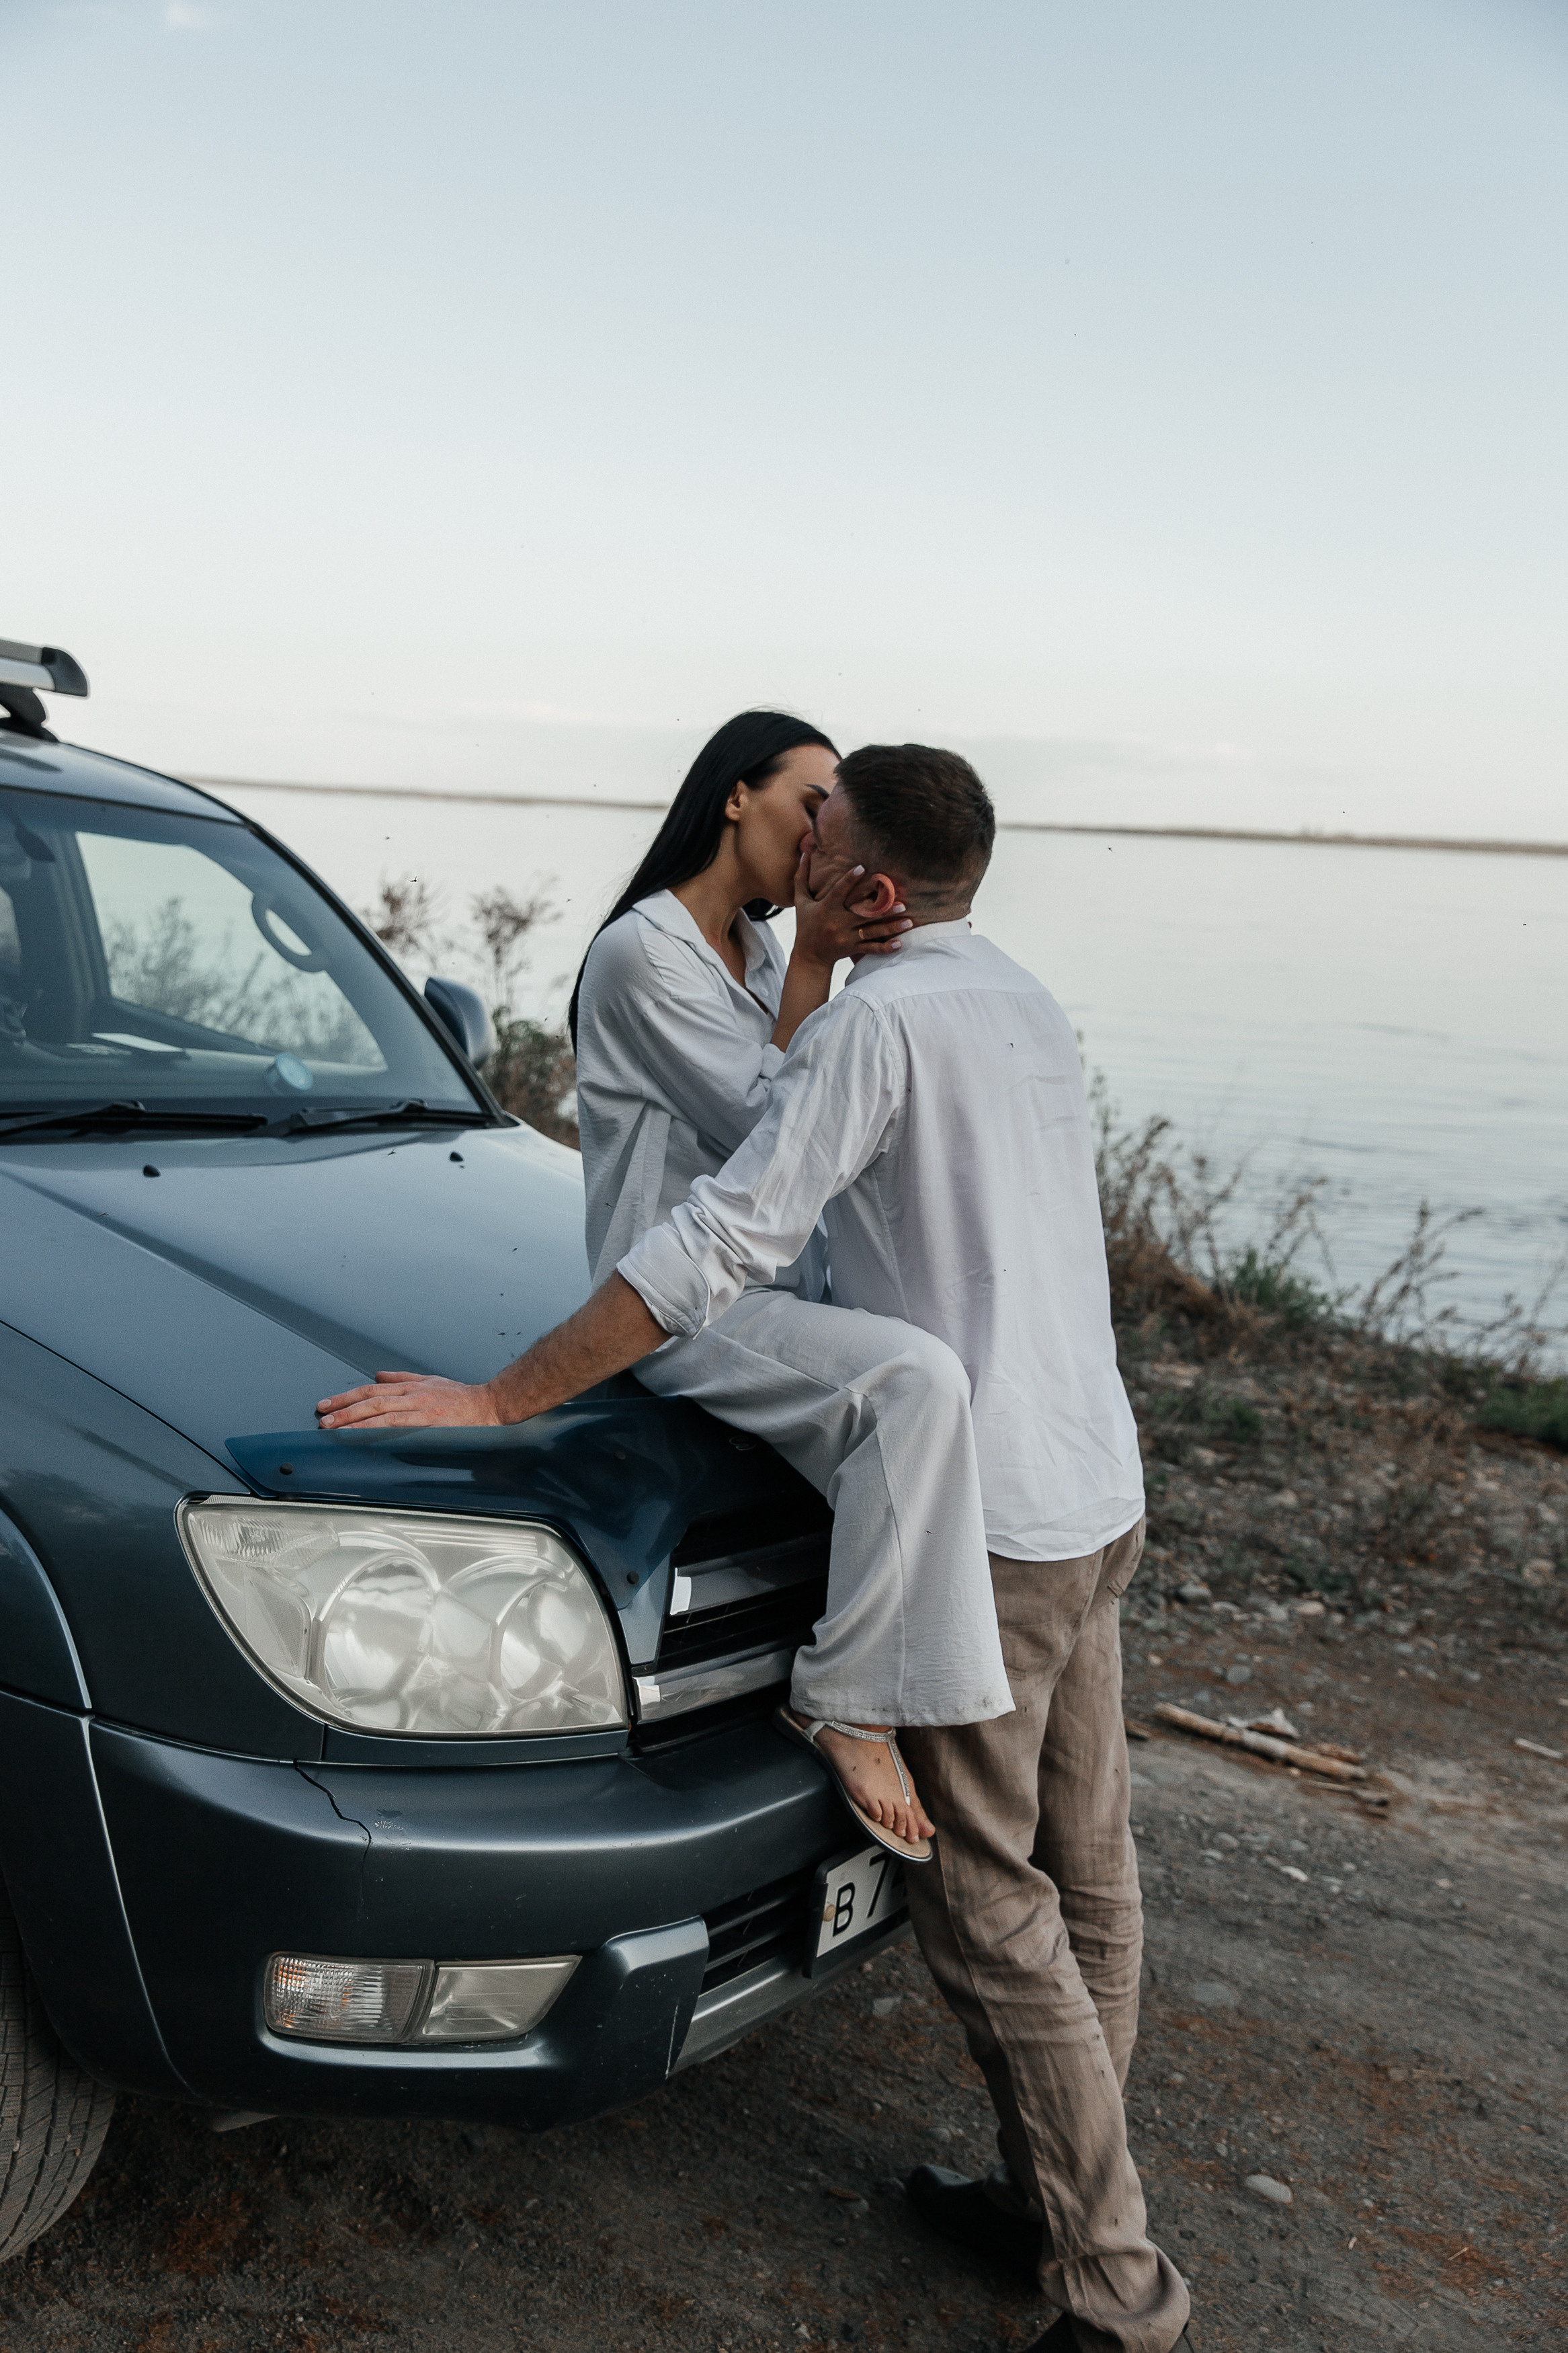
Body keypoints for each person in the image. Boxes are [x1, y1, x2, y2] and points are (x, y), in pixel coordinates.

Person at [318, 741, 1188, 2353]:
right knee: (1096, 1872)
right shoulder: (1024, 1001)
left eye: (828, 828)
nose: (805, 839)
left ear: (866, 884)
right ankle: (1047, 2199)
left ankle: (1115, 2285)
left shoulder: (878, 1020)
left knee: (993, 1908)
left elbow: (722, 1234)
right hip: (1100, 1487)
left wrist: (507, 1396)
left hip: (990, 1515)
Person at [323, 711, 1015, 1860]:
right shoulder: (644, 953)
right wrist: (815, 957)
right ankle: (847, 1699)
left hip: (781, 1294)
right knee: (915, 1386)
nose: (823, 833)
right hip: (682, 1306)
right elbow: (770, 1130)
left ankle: (923, 1696)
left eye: (837, 816)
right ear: (736, 797)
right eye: (811, 803)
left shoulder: (752, 946)